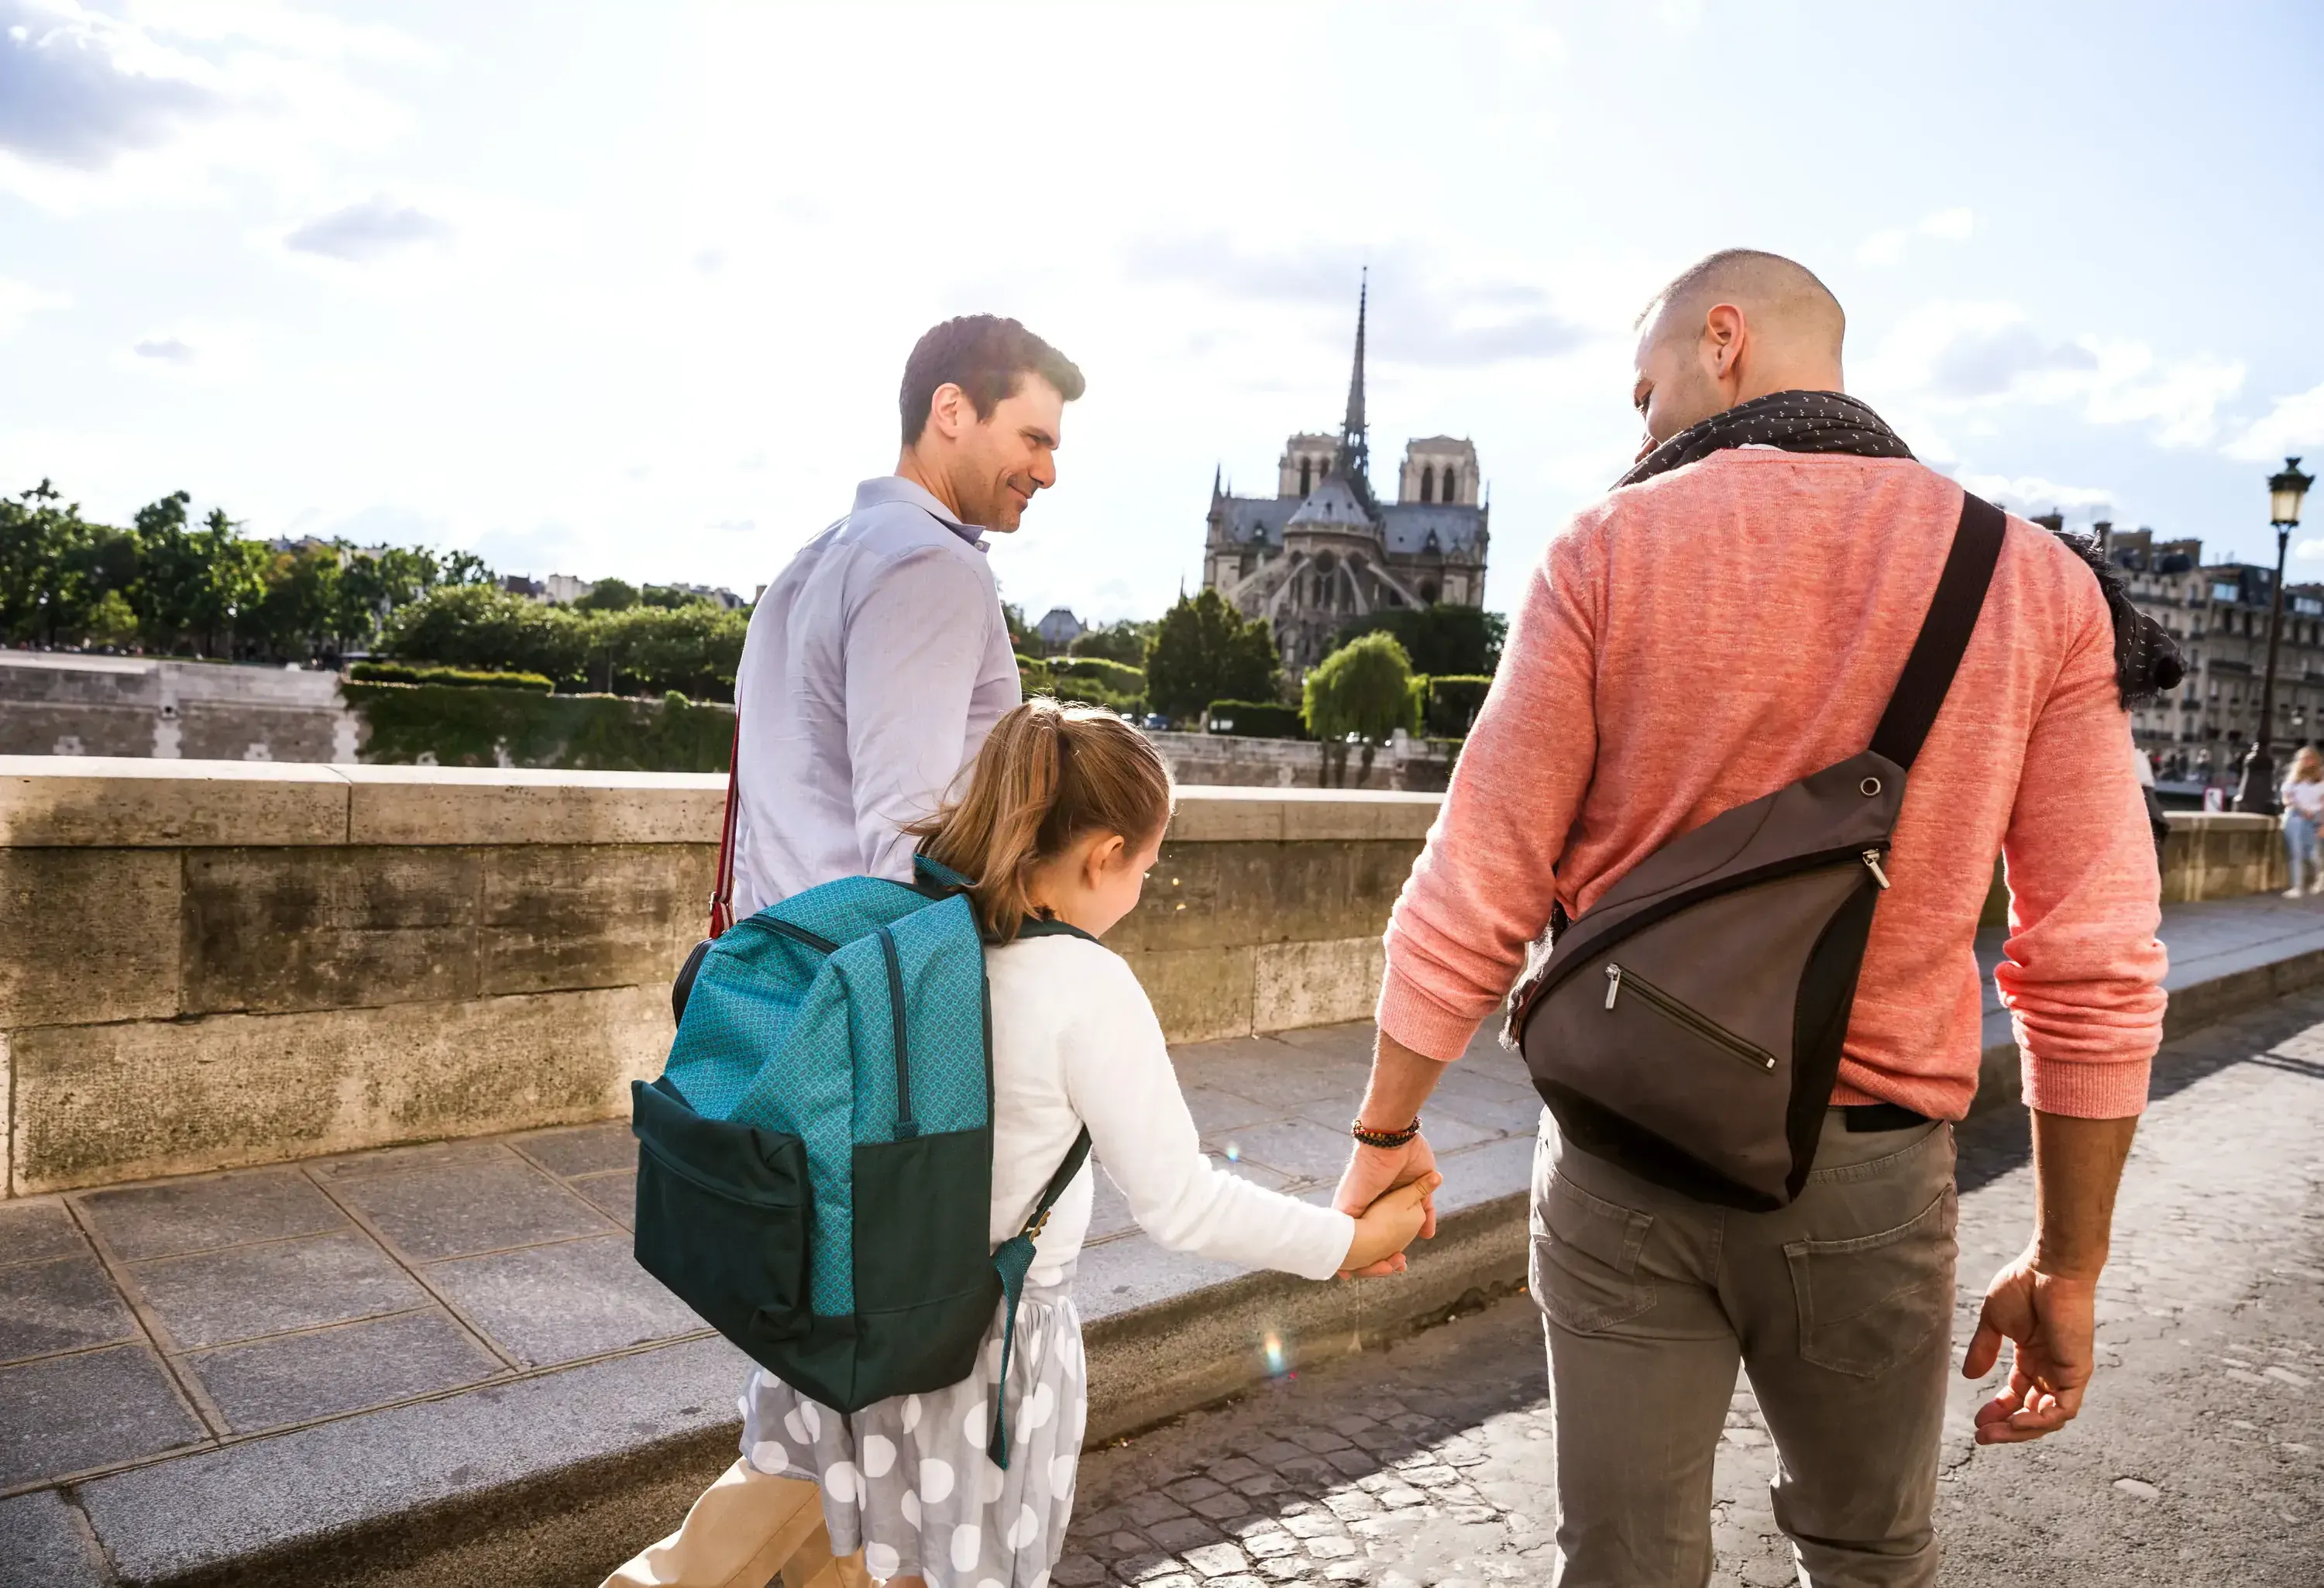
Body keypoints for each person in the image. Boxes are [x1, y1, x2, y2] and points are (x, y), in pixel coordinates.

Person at [1331, 249, 2168, 1586]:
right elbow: (2093, 962)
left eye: (1645, 386)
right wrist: (2068, 1262)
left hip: (1621, 1149)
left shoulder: (1609, 544)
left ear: (1723, 342)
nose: (1642, 426)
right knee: (1868, 1557)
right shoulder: (2034, 584)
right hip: (1870, 1175)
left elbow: (1476, 882)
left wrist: (1387, 1129)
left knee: (1622, 1562)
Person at [607, 314, 1085, 1588]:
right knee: (855, 1423)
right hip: (878, 1057)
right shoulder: (935, 571)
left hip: (798, 1024)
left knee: (846, 1429)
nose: (1049, 468)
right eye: (1033, 436)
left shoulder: (816, 559)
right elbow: (907, 850)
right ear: (950, 411)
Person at [2279, 744, 2324, 896]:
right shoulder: (2292, 780)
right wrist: (2300, 809)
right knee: (2296, 852)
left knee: (2313, 855)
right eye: (2304, 759)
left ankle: (2320, 878)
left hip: (2315, 818)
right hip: (2295, 817)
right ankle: (2297, 887)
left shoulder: (2321, 780)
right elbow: (2287, 799)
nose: (2307, 762)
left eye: (2310, 759)